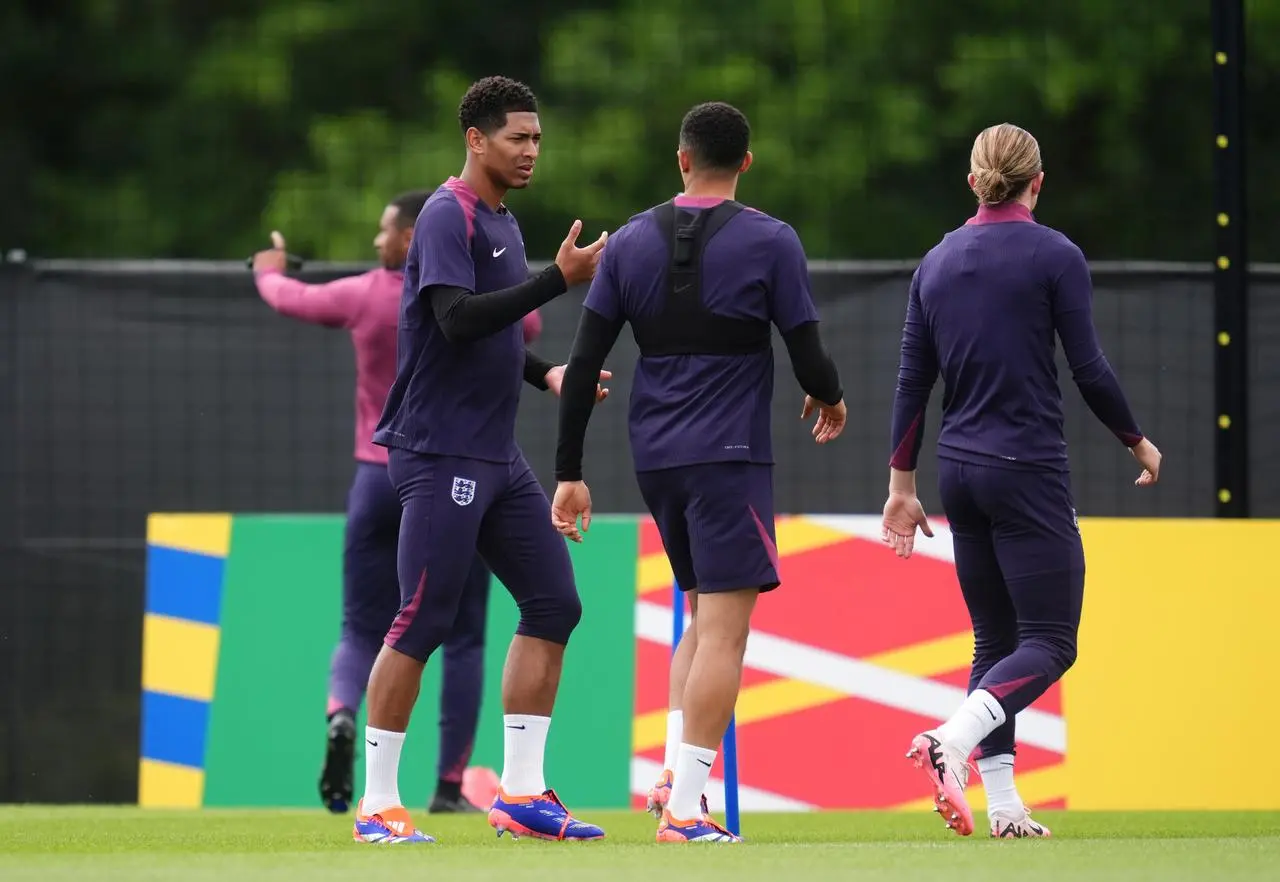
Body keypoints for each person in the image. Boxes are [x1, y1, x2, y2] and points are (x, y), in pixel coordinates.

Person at [550, 101, 846, 844]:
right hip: (728, 455)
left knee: (697, 614)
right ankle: (687, 809)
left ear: (682, 159)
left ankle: (670, 780)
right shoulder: (771, 240)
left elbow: (584, 363)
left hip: (656, 455)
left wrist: (570, 469)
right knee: (724, 633)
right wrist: (830, 394)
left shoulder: (626, 245)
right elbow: (807, 352)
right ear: (746, 161)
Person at [881, 123, 1162, 839]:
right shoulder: (1054, 255)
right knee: (1051, 641)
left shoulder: (938, 260)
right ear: (1038, 182)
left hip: (957, 471)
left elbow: (913, 381)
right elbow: (1089, 367)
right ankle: (952, 740)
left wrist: (901, 485)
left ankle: (1005, 809)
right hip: (1025, 466)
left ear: (973, 181)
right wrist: (1136, 439)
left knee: (995, 639)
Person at [353, 75, 611, 845]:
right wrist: (555, 282)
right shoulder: (445, 215)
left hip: (494, 453)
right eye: (516, 138)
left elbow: (495, 334)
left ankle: (523, 795)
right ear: (476, 140)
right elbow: (455, 320)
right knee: (423, 617)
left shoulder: (500, 219)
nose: (531, 150)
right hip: (438, 451)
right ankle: (376, 805)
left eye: (536, 138)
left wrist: (547, 374)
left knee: (555, 603)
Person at [252, 199, 544, 816]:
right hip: (448, 464)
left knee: (365, 625)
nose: (379, 237)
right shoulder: (447, 281)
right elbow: (529, 328)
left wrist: (268, 269)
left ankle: (341, 714)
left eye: (387, 229)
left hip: (377, 474)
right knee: (460, 637)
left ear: (413, 236)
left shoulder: (362, 295)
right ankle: (446, 783)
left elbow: (288, 298)